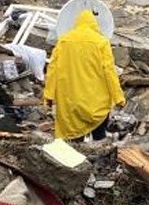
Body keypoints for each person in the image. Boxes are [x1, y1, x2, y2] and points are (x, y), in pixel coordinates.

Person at [43, 10, 125, 141]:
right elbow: (109, 72)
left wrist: (48, 95)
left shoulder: (64, 41)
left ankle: (73, 160)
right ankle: (101, 158)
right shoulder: (101, 42)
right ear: (94, 24)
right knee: (99, 137)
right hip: (96, 102)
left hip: (70, 102)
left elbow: (52, 69)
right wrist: (118, 98)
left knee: (73, 140)